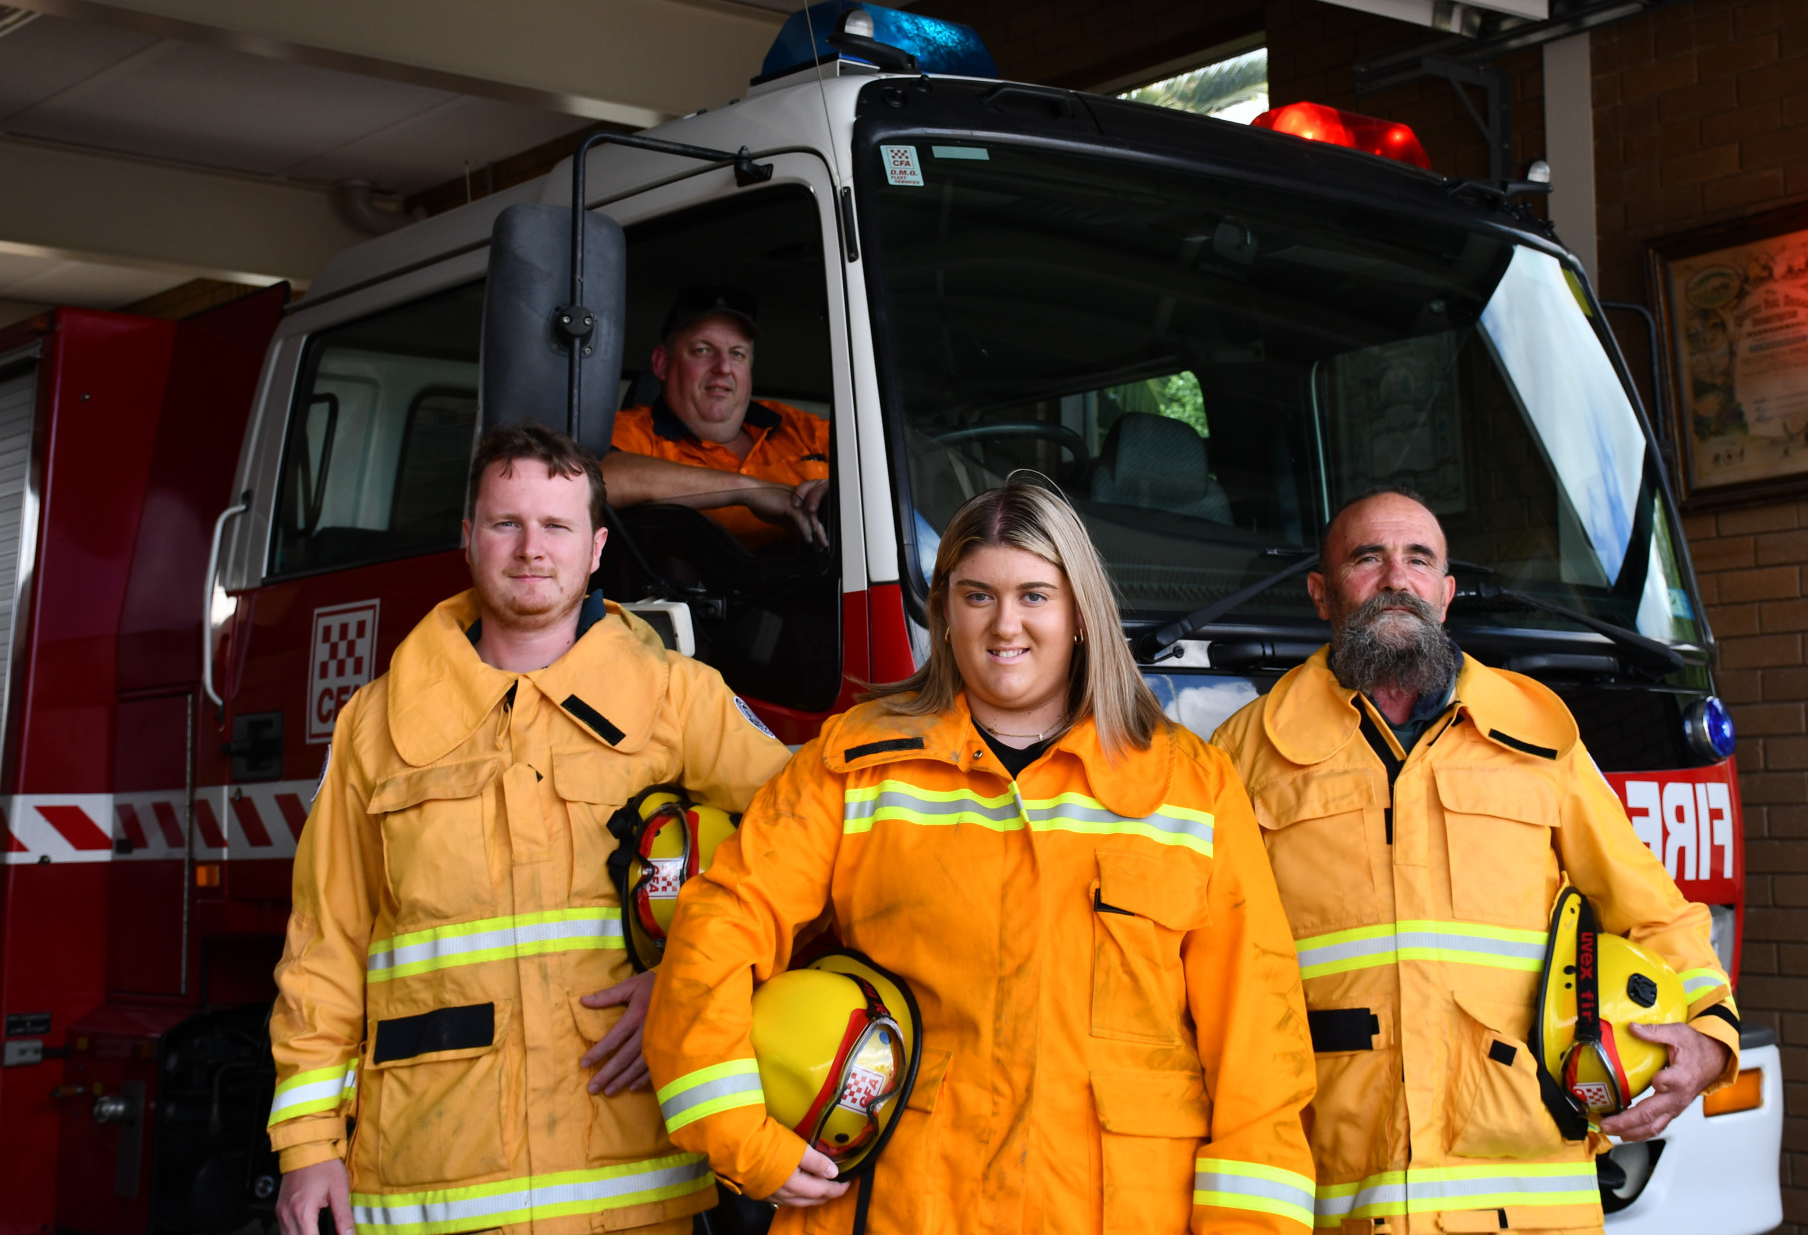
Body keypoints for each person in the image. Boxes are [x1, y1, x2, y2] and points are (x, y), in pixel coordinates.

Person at [640, 480, 1319, 1235]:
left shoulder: (1189, 785)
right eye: (978, 596)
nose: (1006, 625)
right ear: (945, 612)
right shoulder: (860, 761)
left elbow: (1260, 1040)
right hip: (900, 1210)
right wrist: (741, 1137)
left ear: (1081, 614)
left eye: (1035, 595)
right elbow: (720, 920)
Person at [268, 422, 796, 1235]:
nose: (530, 548)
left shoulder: (677, 697)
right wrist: (307, 1147)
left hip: (629, 1191)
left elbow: (805, 842)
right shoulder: (373, 727)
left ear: (595, 549)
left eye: (556, 526)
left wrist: (692, 974)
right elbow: (325, 945)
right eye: (506, 523)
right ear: (468, 538)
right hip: (433, 1184)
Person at [1210, 486, 1741, 1233]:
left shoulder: (1540, 737)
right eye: (1369, 557)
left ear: (1446, 593)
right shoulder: (1243, 754)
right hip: (1337, 1197)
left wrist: (1711, 1038)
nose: (1397, 577)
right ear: (1321, 593)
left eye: (1418, 558)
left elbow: (1653, 909)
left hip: (1525, 1205)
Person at [604, 286, 832, 550]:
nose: (723, 367)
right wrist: (748, 491)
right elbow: (588, 481)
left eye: (737, 354)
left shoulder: (800, 427)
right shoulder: (634, 432)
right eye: (703, 350)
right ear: (662, 363)